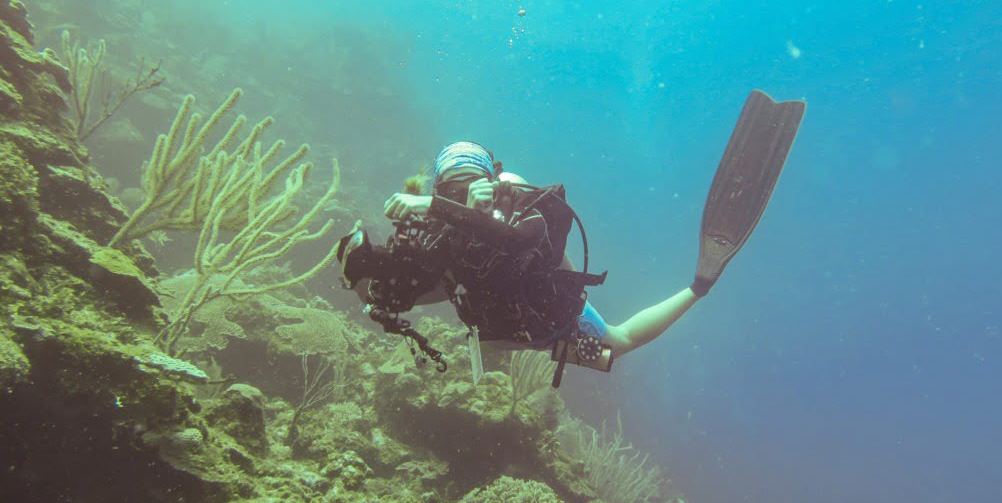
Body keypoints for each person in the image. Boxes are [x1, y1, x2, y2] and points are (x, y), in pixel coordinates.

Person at [339, 91, 805, 379]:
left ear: (491, 177)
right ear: (440, 188)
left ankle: (699, 286)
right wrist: (364, 266)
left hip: (549, 317)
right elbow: (406, 292)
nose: (462, 197)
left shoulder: (514, 195)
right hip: (491, 325)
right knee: (403, 280)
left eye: (470, 184)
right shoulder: (439, 221)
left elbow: (521, 241)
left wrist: (442, 206)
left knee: (618, 342)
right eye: (450, 190)